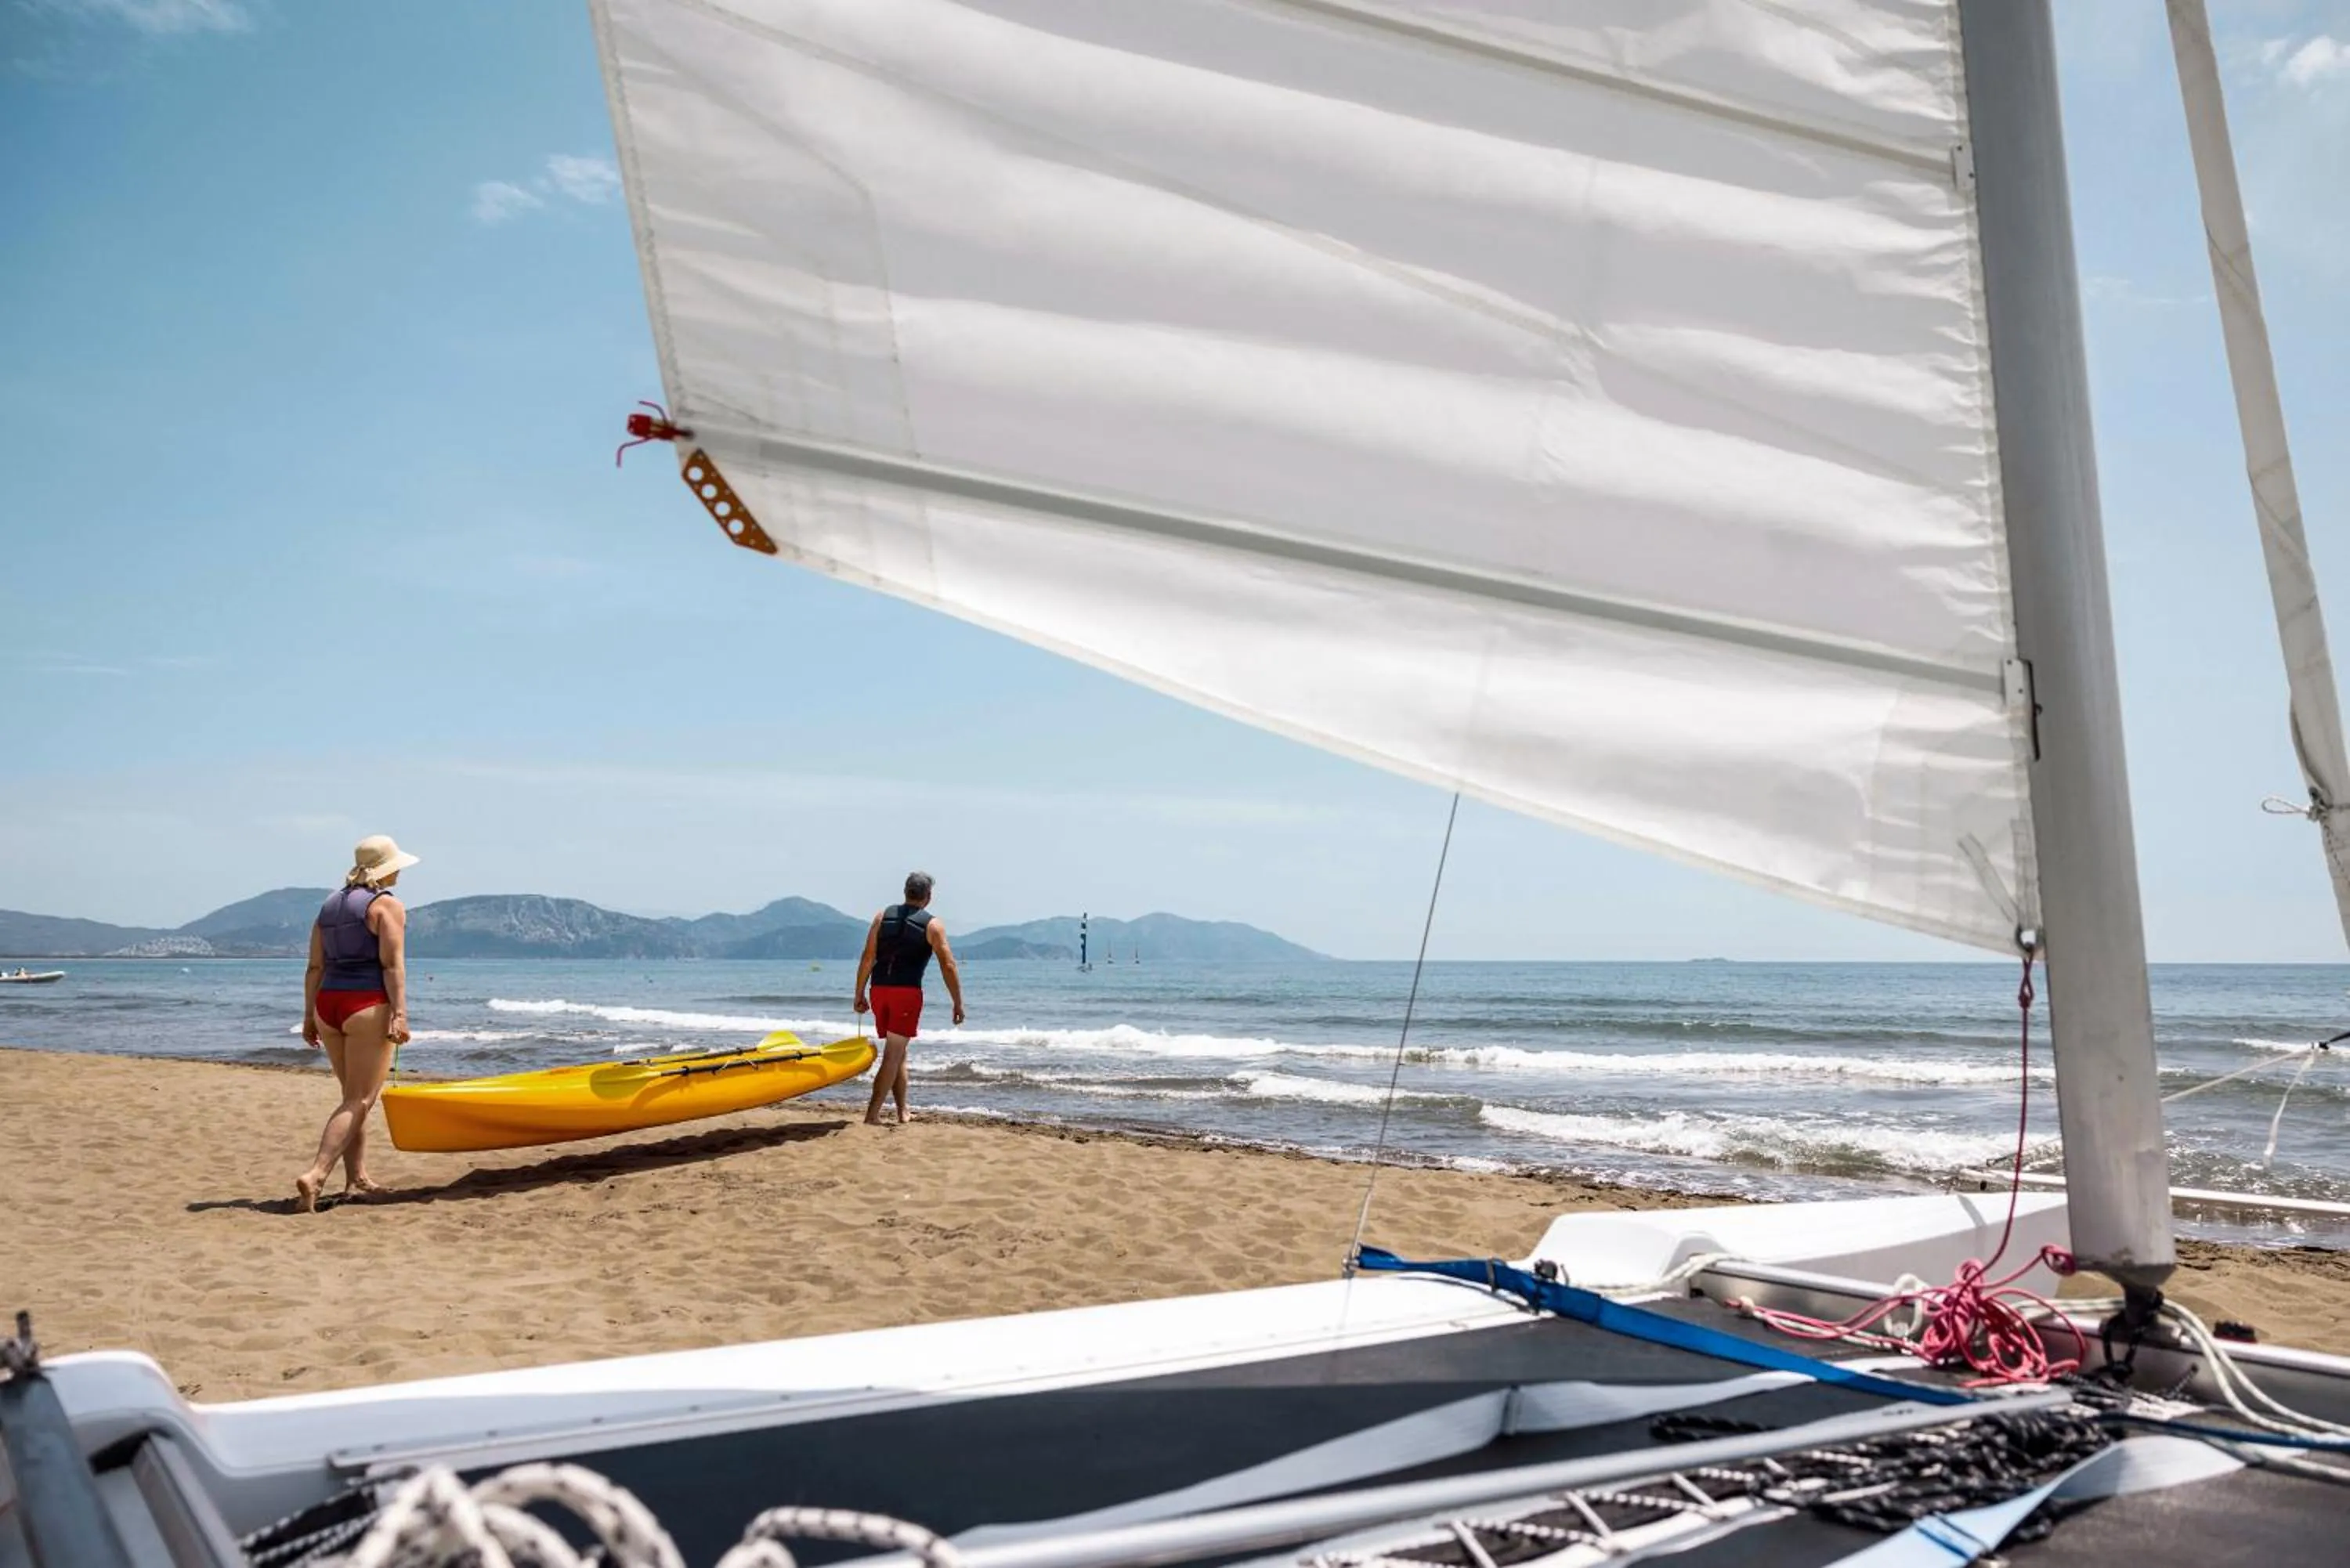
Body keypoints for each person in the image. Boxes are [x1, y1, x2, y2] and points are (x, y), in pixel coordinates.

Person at [295, 834, 418, 1211]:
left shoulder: (329, 907)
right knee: (361, 1099)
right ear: (385, 869)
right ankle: (316, 1175)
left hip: (328, 1004)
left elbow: (315, 966)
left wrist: (308, 1016)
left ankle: (357, 1179)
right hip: (366, 1004)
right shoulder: (387, 906)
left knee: (351, 1097)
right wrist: (399, 1013)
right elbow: (391, 965)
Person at [853, 871, 964, 1125]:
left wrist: (859, 992)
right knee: (893, 1054)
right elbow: (948, 965)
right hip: (906, 994)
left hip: (879, 990)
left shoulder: (882, 917)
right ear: (929, 897)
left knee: (899, 1051)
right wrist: (957, 1002)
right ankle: (872, 1115)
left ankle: (903, 1111)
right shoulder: (933, 925)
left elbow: (867, 957)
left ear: (906, 892)